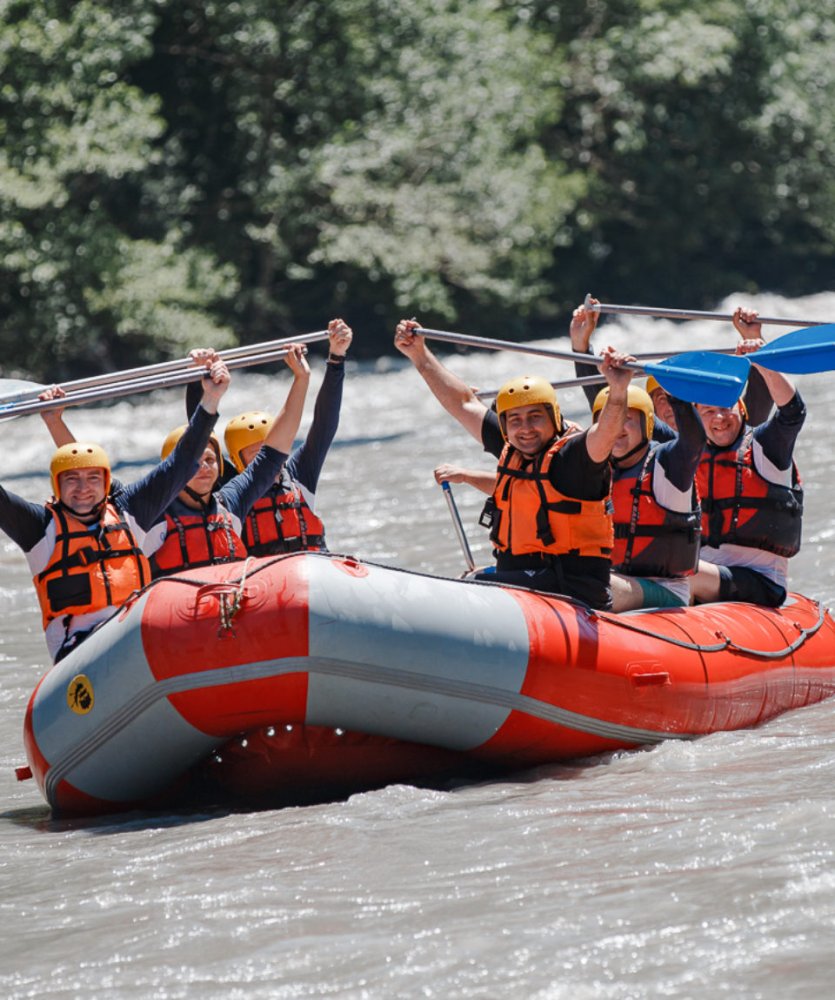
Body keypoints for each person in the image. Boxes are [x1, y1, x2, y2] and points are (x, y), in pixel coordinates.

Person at [1, 357, 231, 662]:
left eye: (93, 478)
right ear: (56, 485)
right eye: (72, 479)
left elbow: (182, 465)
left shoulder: (129, 511)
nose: (83, 488)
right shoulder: (39, 527)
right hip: (80, 655)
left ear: (106, 482)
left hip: (137, 642)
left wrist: (211, 400)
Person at [395, 318, 634, 610]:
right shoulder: (513, 445)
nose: (525, 428)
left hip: (571, 591)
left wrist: (618, 391)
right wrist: (419, 356)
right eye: (515, 420)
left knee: (471, 587)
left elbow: (605, 434)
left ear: (554, 418)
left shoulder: (573, 457)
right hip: (525, 583)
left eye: (535, 416)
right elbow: (463, 402)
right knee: (469, 580)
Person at [190, 318, 353, 555]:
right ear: (238, 462)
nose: (273, 463)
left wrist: (336, 358)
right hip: (264, 582)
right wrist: (199, 377)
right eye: (258, 455)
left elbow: (324, 425)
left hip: (313, 571)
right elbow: (198, 440)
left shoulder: (299, 474)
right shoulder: (233, 490)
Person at [150, 344, 311, 576]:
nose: (204, 467)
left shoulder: (233, 498)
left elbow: (276, 451)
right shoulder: (149, 510)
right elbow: (198, 440)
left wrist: (303, 377)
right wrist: (197, 378)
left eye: (210, 460)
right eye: (196, 462)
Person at [690, 308, 805, 607]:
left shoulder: (767, 445)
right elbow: (626, 432)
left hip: (760, 581)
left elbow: (793, 412)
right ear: (697, 418)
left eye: (726, 407)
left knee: (677, 571)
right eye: (707, 411)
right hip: (707, 577)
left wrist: (762, 359)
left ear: (741, 408)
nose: (719, 417)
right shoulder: (685, 453)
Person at [589, 384, 703, 610]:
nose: (616, 427)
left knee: (589, 583)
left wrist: (676, 393)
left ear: (647, 424)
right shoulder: (596, 467)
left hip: (665, 590)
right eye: (609, 420)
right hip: (617, 580)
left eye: (627, 418)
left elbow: (694, 441)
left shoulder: (669, 462)